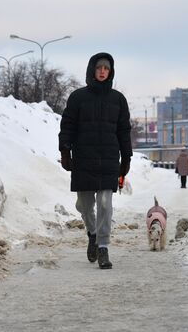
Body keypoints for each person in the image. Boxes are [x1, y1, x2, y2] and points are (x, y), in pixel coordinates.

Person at [58, 52, 132, 269]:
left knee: (105, 204)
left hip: (109, 159)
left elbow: (124, 130)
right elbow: (68, 125)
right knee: (84, 204)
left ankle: (103, 246)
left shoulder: (118, 99)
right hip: (83, 158)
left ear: (110, 72)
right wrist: (65, 150)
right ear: (92, 70)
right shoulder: (78, 97)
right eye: (99, 68)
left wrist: (126, 157)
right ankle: (92, 233)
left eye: (106, 68)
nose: (102, 71)